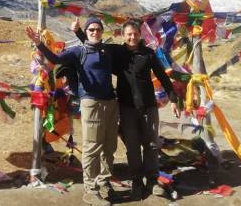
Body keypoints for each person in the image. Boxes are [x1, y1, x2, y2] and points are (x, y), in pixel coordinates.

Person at [73, 19, 180, 199]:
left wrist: (174, 99)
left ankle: (152, 180)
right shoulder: (115, 52)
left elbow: (162, 76)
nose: (132, 37)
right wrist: (78, 32)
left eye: (135, 34)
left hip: (149, 106)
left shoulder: (149, 54)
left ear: (140, 35)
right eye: (129, 34)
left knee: (151, 144)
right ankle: (136, 180)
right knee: (132, 146)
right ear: (123, 36)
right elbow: (94, 42)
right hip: (126, 107)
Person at [26, 17, 118, 206]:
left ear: (102, 32)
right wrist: (39, 43)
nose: (95, 32)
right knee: (92, 147)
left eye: (98, 29)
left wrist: (79, 31)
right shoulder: (78, 51)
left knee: (109, 147)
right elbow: (55, 59)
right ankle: (90, 191)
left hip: (110, 103)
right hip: (91, 103)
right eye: (91, 29)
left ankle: (104, 182)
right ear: (87, 31)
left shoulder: (106, 50)